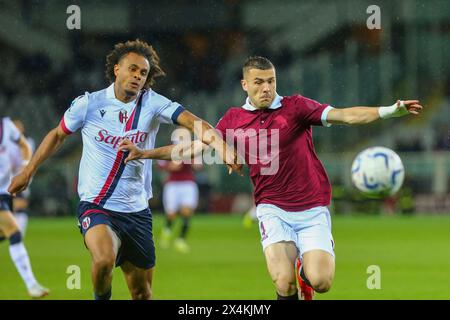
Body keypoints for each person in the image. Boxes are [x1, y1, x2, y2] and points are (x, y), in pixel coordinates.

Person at [117, 56, 423, 300]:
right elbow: (190, 148)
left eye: (271, 81)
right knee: (281, 281)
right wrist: (144, 153)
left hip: (312, 208)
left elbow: (345, 115)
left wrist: (388, 111)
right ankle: (294, 280)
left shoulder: (296, 107)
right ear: (245, 85)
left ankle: (307, 274)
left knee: (322, 282)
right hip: (272, 208)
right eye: (259, 82)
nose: (267, 88)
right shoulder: (233, 120)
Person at [8, 39, 242, 300]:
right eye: (132, 69)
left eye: (143, 73)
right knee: (104, 259)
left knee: (142, 293)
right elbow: (57, 135)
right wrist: (29, 171)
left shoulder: (152, 103)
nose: (138, 76)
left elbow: (194, 122)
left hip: (136, 211)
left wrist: (220, 145)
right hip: (96, 204)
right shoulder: (89, 104)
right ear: (117, 69)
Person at [0, 116, 49, 299]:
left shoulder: (6, 126)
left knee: (4, 234)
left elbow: (25, 147)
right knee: (14, 233)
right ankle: (32, 285)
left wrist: (24, 169)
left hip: (6, 192)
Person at [158, 155, 201, 253]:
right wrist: (169, 166)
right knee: (171, 214)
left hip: (188, 183)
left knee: (187, 212)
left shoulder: (191, 150)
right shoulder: (169, 148)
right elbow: (160, 165)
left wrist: (194, 163)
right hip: (172, 184)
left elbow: (199, 166)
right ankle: (167, 232)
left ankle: (180, 240)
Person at [9, 120, 36, 236]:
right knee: (16, 205)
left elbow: (27, 160)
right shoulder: (6, 143)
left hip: (20, 177)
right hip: (7, 178)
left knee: (20, 203)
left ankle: (17, 234)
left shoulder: (28, 143)